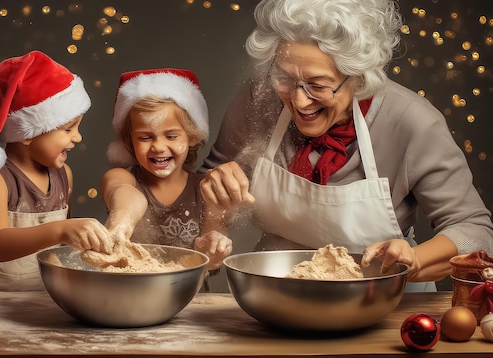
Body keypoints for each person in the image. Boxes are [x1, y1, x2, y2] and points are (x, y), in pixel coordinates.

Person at [199, 0, 493, 290]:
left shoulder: (411, 121)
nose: (299, 101)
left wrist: (413, 260)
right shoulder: (259, 98)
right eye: (285, 78)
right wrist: (214, 195)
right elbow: (200, 189)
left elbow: (474, 230)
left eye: (318, 84)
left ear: (358, 75)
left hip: (385, 300)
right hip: (277, 289)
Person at [0, 51, 114, 291]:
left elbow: (54, 247)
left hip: (34, 299)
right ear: (27, 134)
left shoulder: (63, 175)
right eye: (68, 129)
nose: (78, 137)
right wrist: (61, 230)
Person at [101, 69, 233, 290]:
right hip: (130, 297)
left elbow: (210, 253)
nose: (159, 147)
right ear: (129, 142)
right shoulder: (123, 178)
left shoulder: (207, 189)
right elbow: (121, 192)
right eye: (145, 137)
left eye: (171, 136)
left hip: (191, 302)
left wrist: (211, 248)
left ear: (192, 136)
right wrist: (122, 216)